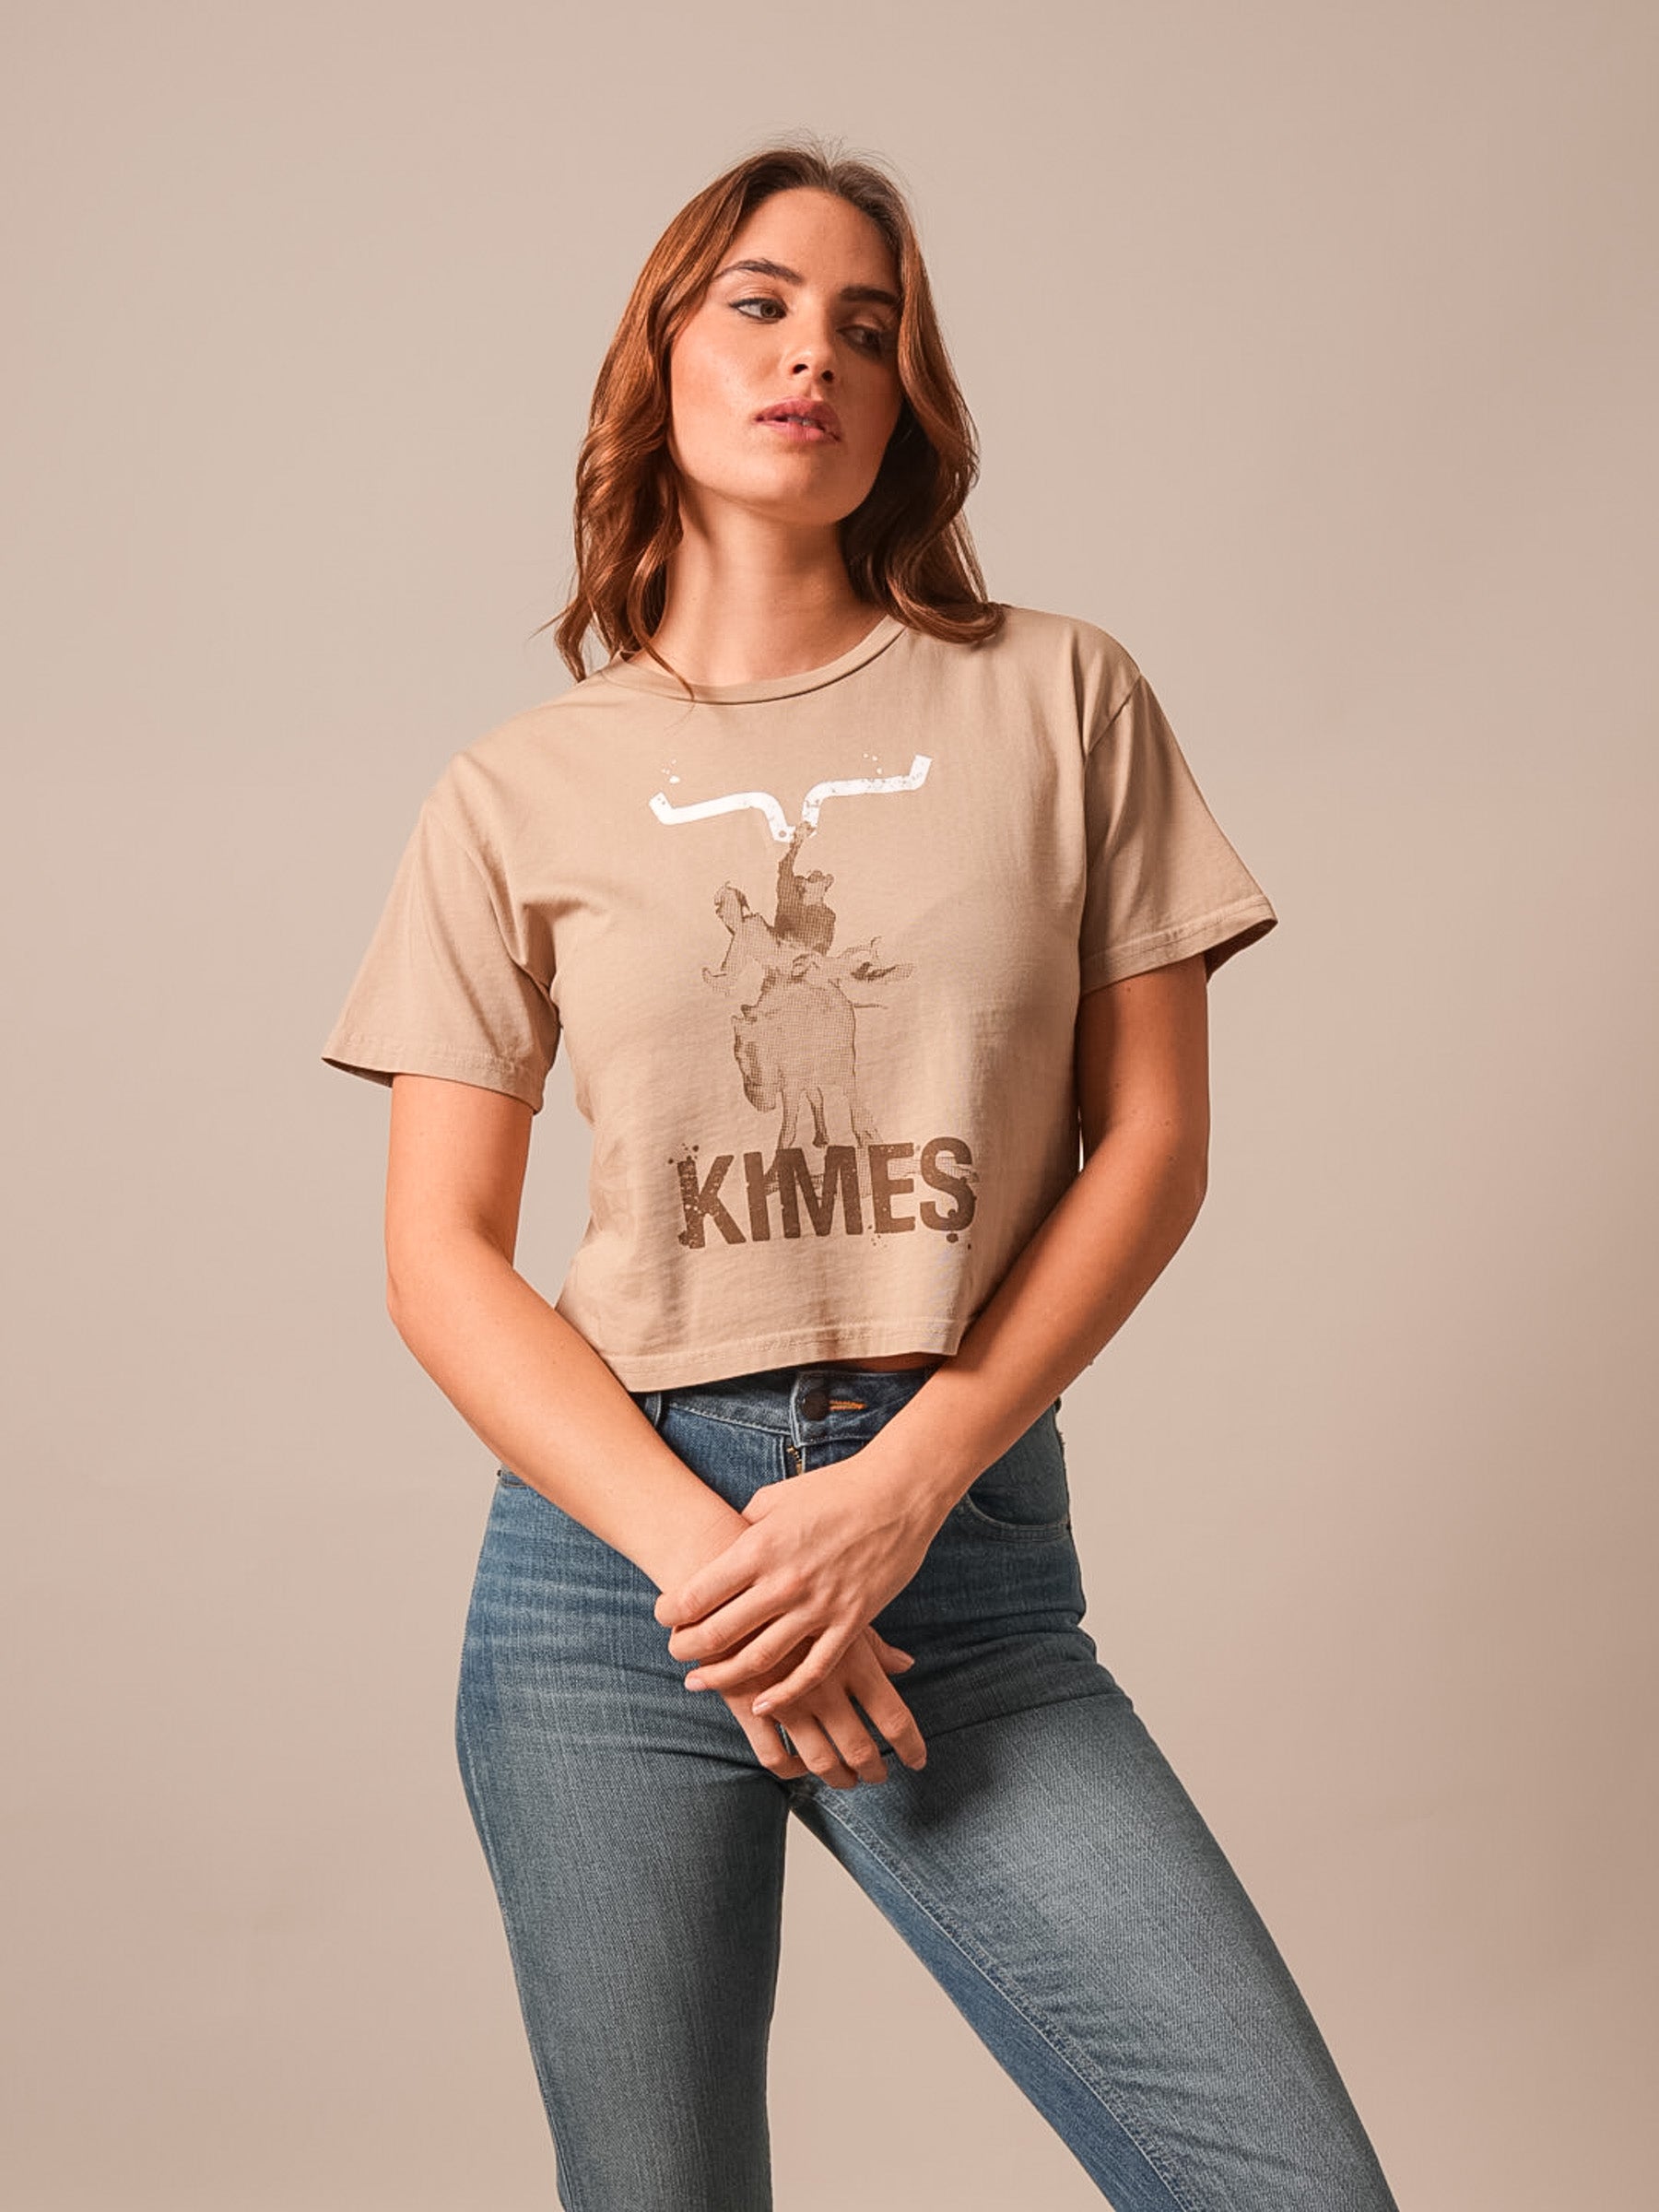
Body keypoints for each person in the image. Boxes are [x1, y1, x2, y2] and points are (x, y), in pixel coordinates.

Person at [321, 135, 1401, 2212]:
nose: (812, 352)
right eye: (760, 303)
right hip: (619, 1586)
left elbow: (1154, 1143)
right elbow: (439, 1258)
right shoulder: (515, 789)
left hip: (952, 1551)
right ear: (660, 358)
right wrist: (717, 1571)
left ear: (908, 399)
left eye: (868, 326)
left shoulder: (1061, 699)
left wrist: (900, 1492)